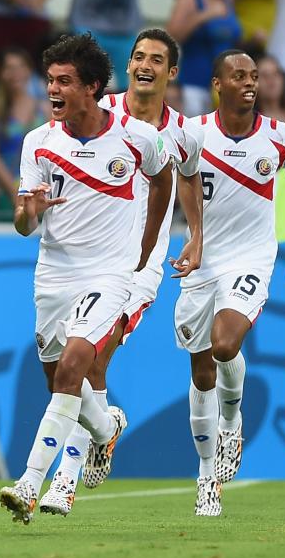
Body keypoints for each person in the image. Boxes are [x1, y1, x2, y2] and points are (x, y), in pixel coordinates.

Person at [0, 33, 172, 524]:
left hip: (110, 273)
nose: (53, 90)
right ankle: (105, 427)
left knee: (77, 365)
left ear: (93, 87)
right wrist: (25, 214)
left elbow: (163, 180)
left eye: (65, 82)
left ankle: (32, 482)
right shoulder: (38, 142)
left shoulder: (136, 137)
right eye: (50, 80)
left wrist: (147, 242)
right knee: (60, 379)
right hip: (54, 273)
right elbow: (24, 224)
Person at [40, 29, 205, 516]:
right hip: (83, 261)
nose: (144, 65)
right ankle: (104, 427)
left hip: (138, 264)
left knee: (91, 360)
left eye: (156, 59)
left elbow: (189, 178)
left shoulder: (182, 133)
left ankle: (62, 482)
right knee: (74, 364)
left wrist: (194, 235)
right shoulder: (97, 111)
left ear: (171, 72)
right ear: (127, 66)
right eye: (137, 57)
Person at [175, 50, 285, 516]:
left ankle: (231, 425)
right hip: (202, 262)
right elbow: (181, 179)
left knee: (224, 343)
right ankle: (205, 478)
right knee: (200, 374)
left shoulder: (282, 138)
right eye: (239, 76)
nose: (250, 83)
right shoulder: (194, 133)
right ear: (218, 83)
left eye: (254, 76)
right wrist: (194, 238)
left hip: (251, 258)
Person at [167, 0, 242, 117]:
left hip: (224, 90)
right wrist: (204, 15)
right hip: (194, 86)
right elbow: (171, 36)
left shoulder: (228, 0)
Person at [0, 47, 49, 213]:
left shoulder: (44, 108)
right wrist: (14, 191)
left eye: (20, 67)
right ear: (1, 73)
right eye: (9, 68)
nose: (15, 73)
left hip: (36, 186)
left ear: (29, 70)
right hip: (1, 186)